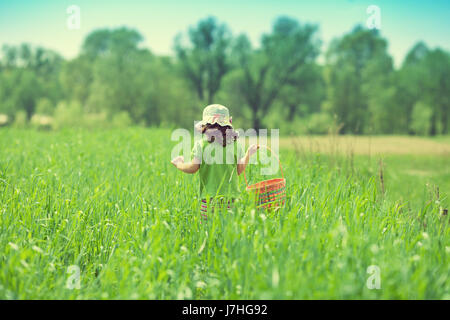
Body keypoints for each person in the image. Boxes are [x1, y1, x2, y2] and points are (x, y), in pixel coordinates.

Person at [171, 104, 259, 222]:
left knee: (208, 234)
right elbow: (239, 170)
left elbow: (192, 168)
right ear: (228, 124)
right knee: (227, 235)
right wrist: (248, 154)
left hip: (208, 200)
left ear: (206, 125)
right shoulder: (235, 144)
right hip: (230, 200)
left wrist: (179, 164)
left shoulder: (201, 144)